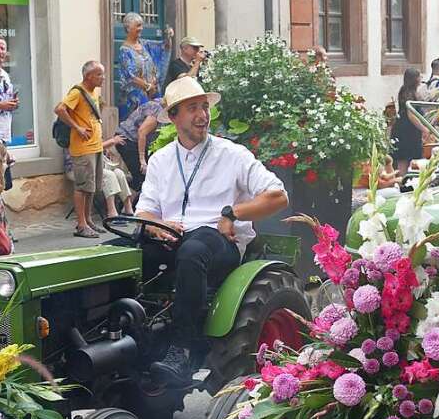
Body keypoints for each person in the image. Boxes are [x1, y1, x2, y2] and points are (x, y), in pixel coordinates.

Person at [133, 76, 288, 386]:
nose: (203, 115)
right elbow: (144, 211)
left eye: (204, 107)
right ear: (174, 116)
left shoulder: (232, 154)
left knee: (193, 250)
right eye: (193, 108)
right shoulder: (161, 160)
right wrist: (157, 225)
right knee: (116, 254)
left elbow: (278, 195)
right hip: (171, 237)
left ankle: (183, 349)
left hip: (217, 241)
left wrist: (233, 213)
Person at [55, 61, 106, 238]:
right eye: (99, 74)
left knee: (91, 187)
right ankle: (81, 224)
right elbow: (60, 109)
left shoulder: (94, 92)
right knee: (82, 186)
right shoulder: (77, 92)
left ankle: (88, 219)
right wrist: (77, 128)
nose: (103, 78)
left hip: (95, 145)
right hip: (83, 147)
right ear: (88, 76)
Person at [116, 12, 171, 119]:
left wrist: (168, 37)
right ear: (128, 28)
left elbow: (164, 48)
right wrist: (148, 87)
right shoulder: (125, 51)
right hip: (135, 99)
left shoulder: (145, 44)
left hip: (152, 94)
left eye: (141, 25)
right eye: (138, 26)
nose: (141, 28)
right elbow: (130, 76)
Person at [111, 96, 165, 194]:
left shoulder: (157, 103)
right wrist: (142, 160)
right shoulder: (158, 110)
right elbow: (142, 132)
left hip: (132, 141)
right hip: (128, 140)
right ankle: (124, 198)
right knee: (143, 178)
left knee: (144, 178)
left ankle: (126, 203)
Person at [389, 68, 427, 177]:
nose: (421, 79)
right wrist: (424, 129)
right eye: (419, 76)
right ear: (414, 79)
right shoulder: (408, 93)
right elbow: (412, 115)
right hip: (407, 131)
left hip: (407, 130)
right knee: (404, 159)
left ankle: (404, 181)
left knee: (405, 160)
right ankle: (403, 182)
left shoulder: (406, 91)